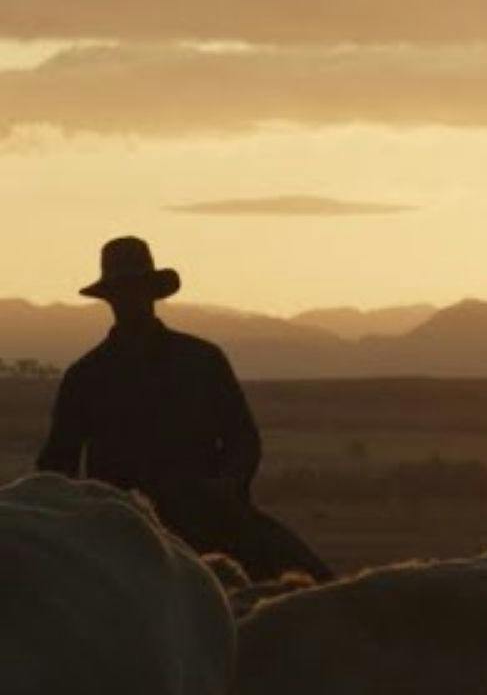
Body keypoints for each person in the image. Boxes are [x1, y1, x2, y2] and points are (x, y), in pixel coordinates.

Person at [35, 235, 331, 581]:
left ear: (151, 293)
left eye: (135, 289)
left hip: (208, 515)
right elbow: (57, 465)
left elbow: (243, 441)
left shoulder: (202, 361)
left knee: (312, 583)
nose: (129, 299)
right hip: (120, 525)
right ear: (110, 299)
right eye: (122, 291)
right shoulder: (85, 376)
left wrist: (225, 489)